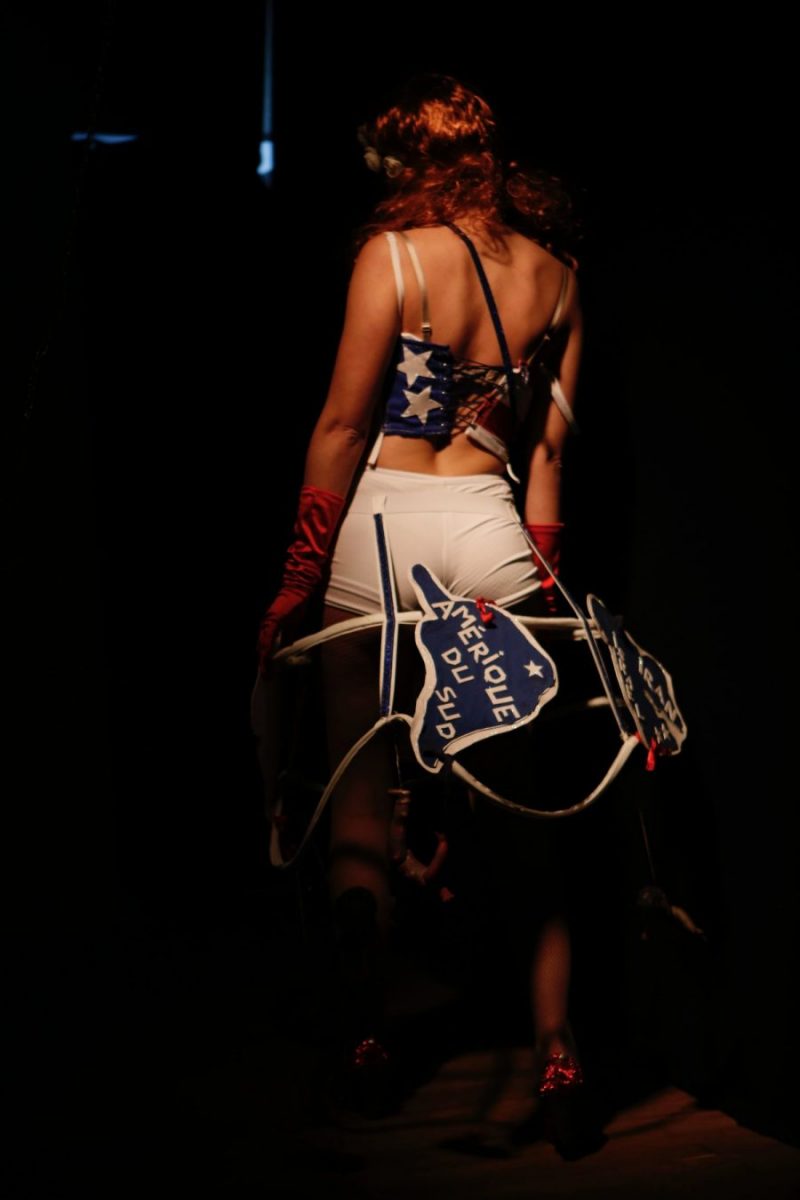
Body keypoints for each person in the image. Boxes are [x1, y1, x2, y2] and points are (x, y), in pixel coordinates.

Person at [255, 74, 600, 1153]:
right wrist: (540, 590)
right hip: (488, 535)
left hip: (383, 533)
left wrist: (296, 581)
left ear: (417, 165)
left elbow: (339, 427)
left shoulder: (394, 258)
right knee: (523, 815)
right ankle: (558, 1056)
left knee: (360, 804)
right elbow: (547, 462)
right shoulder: (558, 277)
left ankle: (366, 1046)